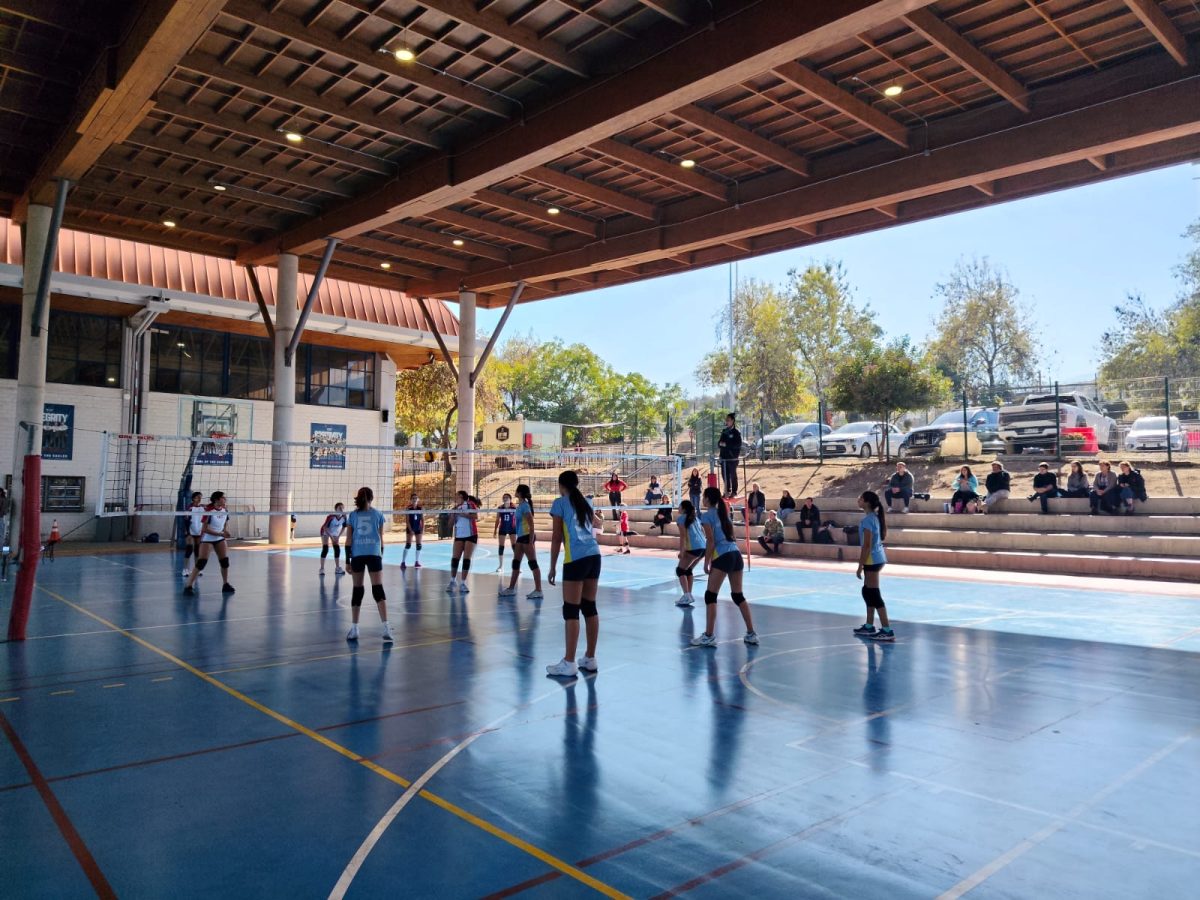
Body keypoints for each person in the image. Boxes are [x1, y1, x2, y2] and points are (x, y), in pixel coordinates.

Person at [546, 471, 603, 677]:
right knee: (589, 607)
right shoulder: (586, 502)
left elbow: (556, 537)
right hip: (594, 555)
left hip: (576, 558)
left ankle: (569, 662)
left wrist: (552, 566)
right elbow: (597, 524)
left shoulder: (559, 503)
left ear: (561, 485)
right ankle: (590, 658)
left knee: (571, 610)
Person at [691, 486, 757, 647]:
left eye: (703, 497)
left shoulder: (706, 516)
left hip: (723, 556)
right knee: (738, 595)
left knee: (710, 596)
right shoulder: (724, 513)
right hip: (735, 554)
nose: (702, 499)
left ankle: (709, 635)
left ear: (707, 499)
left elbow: (711, 541)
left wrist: (706, 562)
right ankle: (751, 633)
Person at [343, 486, 393, 643]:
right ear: (372, 498)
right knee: (378, 589)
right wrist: (381, 556)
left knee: (357, 590)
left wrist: (347, 560)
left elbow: (348, 540)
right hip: (373, 554)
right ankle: (386, 627)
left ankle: (355, 628)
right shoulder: (378, 514)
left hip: (357, 554)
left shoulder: (353, 515)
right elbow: (381, 539)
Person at [852, 490, 893, 641]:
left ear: (866, 502)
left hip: (872, 560)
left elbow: (867, 546)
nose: (858, 500)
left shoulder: (869, 520)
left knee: (874, 594)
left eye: (860, 498)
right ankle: (869, 626)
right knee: (867, 591)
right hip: (876, 558)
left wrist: (860, 565)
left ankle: (887, 630)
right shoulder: (872, 518)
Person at [183, 491, 235, 595]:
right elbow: (204, 529)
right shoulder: (209, 511)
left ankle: (225, 584)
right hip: (208, 539)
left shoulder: (225, 510)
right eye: (223, 498)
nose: (225, 499)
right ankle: (188, 586)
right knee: (201, 562)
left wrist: (225, 531)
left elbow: (224, 523)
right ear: (217, 499)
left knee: (224, 561)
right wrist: (220, 534)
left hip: (219, 538)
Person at [500, 484, 544, 599]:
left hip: (526, 537)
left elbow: (531, 524)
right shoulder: (520, 506)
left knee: (533, 563)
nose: (515, 492)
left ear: (519, 493)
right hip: (520, 537)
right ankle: (511, 589)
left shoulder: (525, 506)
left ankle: (539, 590)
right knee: (516, 563)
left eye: (516, 491)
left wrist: (530, 541)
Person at [674, 499, 705, 607]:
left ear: (683, 508)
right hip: (703, 547)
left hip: (694, 548)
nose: (678, 508)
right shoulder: (695, 518)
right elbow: (702, 531)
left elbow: (682, 536)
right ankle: (689, 595)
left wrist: (682, 552)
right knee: (688, 570)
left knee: (680, 570)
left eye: (679, 506)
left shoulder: (681, 519)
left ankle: (687, 595)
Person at [447, 490, 479, 592]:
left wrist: (463, 514)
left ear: (461, 497)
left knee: (466, 559)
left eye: (457, 496)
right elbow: (449, 525)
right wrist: (452, 515)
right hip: (459, 535)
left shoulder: (470, 504)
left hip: (471, 535)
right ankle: (452, 581)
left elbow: (475, 516)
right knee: (455, 559)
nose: (455, 498)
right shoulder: (455, 508)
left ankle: (463, 583)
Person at [319, 502, 348, 575]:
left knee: (337, 549)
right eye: (339, 508)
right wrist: (332, 537)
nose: (341, 509)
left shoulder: (344, 517)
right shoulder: (331, 517)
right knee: (325, 549)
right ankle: (322, 569)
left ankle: (337, 568)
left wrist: (338, 537)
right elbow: (325, 527)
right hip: (326, 531)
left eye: (342, 507)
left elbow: (344, 527)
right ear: (336, 509)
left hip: (335, 532)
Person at [182, 490, 205, 577]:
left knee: (197, 551)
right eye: (197, 497)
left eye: (200, 497)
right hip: (190, 531)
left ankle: (197, 569)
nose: (199, 499)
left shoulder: (203, 508)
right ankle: (185, 569)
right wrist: (187, 532)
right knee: (189, 549)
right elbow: (186, 520)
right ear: (193, 499)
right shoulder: (189, 508)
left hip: (199, 531)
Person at [718, 414, 742, 498]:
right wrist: (724, 444)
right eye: (726, 420)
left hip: (732, 458)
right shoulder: (724, 431)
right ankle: (727, 491)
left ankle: (734, 491)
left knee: (733, 475)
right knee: (725, 475)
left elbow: (737, 445)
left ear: (732, 421)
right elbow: (719, 443)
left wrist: (726, 444)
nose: (727, 422)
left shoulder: (736, 432)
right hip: (724, 458)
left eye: (728, 420)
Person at [494, 493, 517, 572]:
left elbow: (519, 518)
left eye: (507, 497)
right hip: (502, 528)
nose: (505, 498)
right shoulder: (500, 508)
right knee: (501, 546)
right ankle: (501, 566)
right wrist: (494, 530)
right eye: (504, 497)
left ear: (510, 499)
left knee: (514, 547)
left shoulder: (514, 507)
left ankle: (517, 566)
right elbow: (497, 520)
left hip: (512, 528)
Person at [400, 492, 423, 569]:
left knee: (419, 545)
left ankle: (416, 562)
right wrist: (410, 530)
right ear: (411, 500)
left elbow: (422, 519)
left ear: (418, 499)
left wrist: (423, 528)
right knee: (408, 545)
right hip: (410, 527)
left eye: (416, 498)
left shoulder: (420, 508)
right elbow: (407, 521)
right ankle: (403, 562)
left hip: (418, 528)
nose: (415, 499)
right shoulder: (408, 508)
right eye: (413, 498)